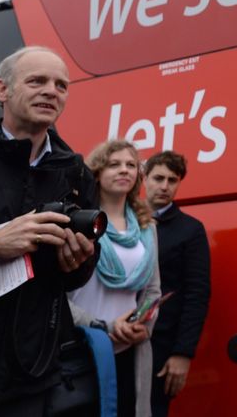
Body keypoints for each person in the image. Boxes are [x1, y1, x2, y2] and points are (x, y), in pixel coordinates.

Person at [0, 46, 99, 416]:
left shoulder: (76, 173)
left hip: (33, 376)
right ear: (2, 90)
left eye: (61, 85)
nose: (51, 91)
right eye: (37, 81)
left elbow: (75, 278)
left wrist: (78, 261)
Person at [69, 140, 161, 417]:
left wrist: (143, 326)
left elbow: (153, 291)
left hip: (130, 349)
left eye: (131, 165)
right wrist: (104, 327)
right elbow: (58, 295)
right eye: (114, 164)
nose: (124, 170)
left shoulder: (146, 226)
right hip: (84, 346)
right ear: (97, 173)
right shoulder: (79, 221)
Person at [143, 150, 210, 417]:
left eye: (172, 180)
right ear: (144, 178)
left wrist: (183, 353)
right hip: (119, 338)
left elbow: (197, 294)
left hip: (161, 347)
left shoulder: (190, 230)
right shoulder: (124, 221)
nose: (164, 186)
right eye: (158, 178)